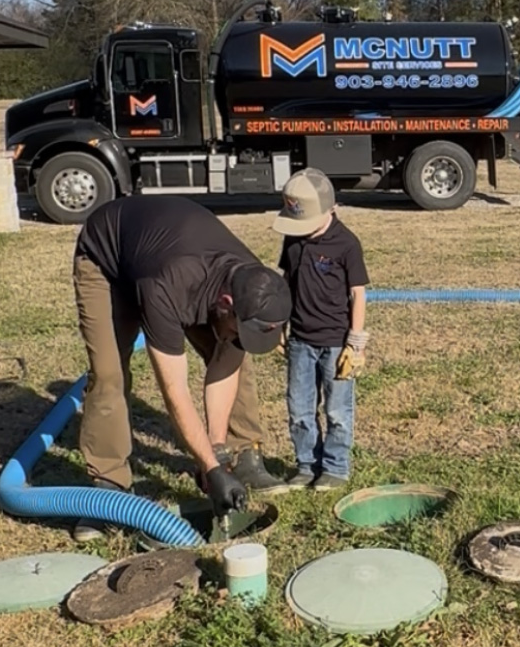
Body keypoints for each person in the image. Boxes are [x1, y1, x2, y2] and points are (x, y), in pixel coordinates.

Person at [72, 194, 290, 540]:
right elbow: (175, 392)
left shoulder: (253, 282)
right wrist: (210, 467)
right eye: (239, 327)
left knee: (234, 352)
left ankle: (242, 457)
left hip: (166, 255)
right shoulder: (166, 287)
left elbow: (226, 366)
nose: (241, 336)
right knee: (109, 375)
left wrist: (215, 454)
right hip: (107, 262)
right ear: (226, 303)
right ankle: (109, 488)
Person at [273, 169, 369, 491]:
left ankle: (335, 468)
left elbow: (357, 294)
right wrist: (280, 324)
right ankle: (306, 465)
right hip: (300, 341)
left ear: (331, 209)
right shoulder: (293, 239)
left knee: (337, 410)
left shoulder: (347, 244)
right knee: (299, 409)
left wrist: (354, 343)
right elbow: (286, 282)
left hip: (336, 343)